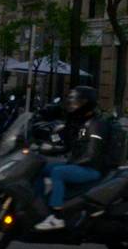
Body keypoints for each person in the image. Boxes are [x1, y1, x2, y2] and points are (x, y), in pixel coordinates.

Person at [33, 85, 117, 231]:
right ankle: (38, 206)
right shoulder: (77, 121)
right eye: (72, 101)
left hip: (92, 168)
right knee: (38, 167)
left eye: (76, 102)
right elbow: (62, 139)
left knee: (58, 172)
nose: (73, 105)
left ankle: (57, 216)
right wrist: (40, 142)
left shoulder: (96, 124)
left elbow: (92, 154)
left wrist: (71, 162)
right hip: (79, 164)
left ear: (86, 103)